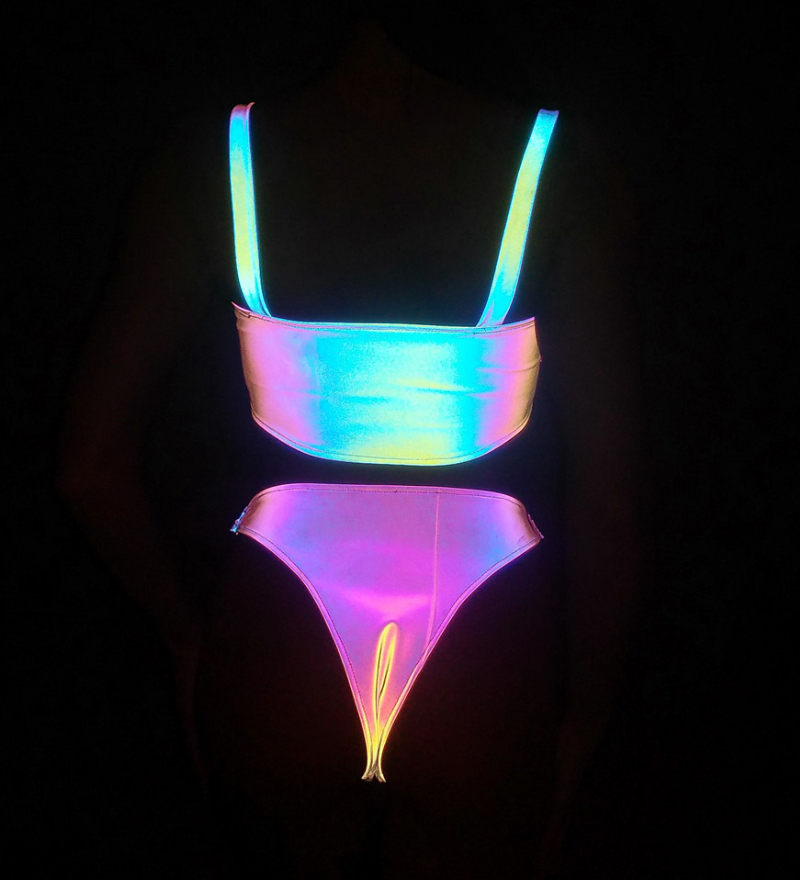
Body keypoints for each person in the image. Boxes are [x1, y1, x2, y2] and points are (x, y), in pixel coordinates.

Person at [59, 11, 643, 878]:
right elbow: (613, 495)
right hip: (486, 641)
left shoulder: (209, 159)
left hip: (275, 631)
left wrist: (186, 643)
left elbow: (86, 468)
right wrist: (586, 721)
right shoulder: (563, 164)